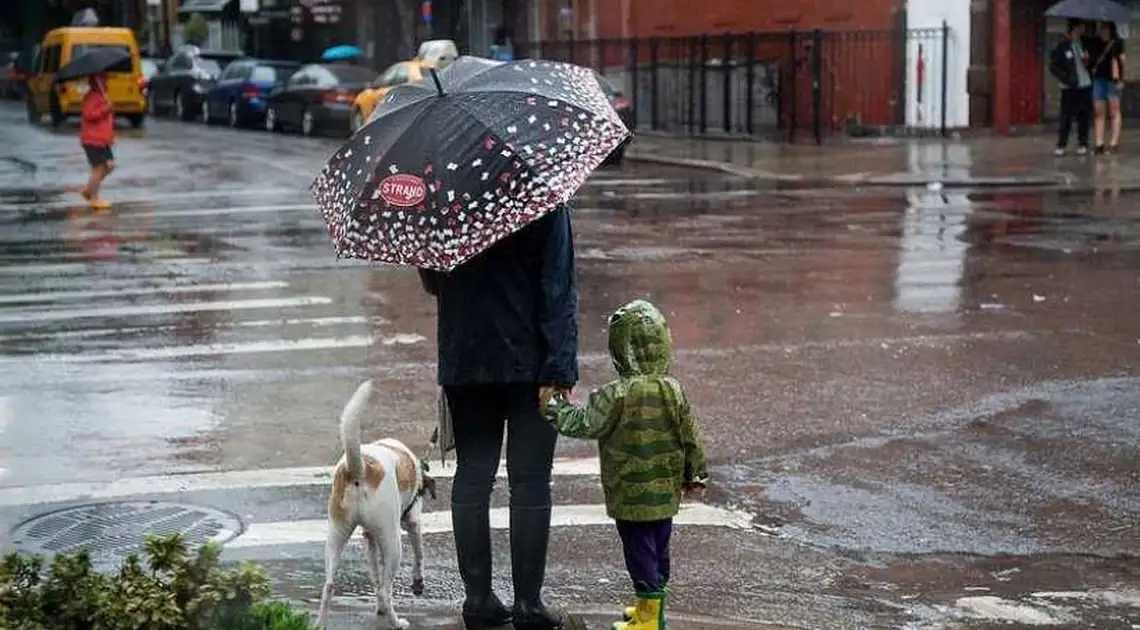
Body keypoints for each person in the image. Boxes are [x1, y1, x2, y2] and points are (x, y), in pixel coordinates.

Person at [418, 205, 578, 630]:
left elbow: (434, 281)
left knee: (474, 474)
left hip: (466, 357)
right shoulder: (542, 195)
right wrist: (561, 368)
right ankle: (529, 604)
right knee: (529, 481)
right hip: (531, 360)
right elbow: (556, 287)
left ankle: (477, 600)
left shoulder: (445, 197)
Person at [542, 299, 709, 630]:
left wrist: (553, 407)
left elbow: (584, 423)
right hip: (665, 492)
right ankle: (652, 610)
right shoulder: (674, 390)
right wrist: (695, 475)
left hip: (631, 495)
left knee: (639, 551)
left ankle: (647, 617)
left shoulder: (616, 394)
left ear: (620, 349)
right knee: (660, 548)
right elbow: (691, 436)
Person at [1049, 19, 1093, 157]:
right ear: (1072, 30)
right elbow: (1053, 66)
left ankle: (1083, 143)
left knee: (1083, 116)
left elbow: (1088, 61)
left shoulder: (1083, 44)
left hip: (1084, 84)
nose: (1081, 32)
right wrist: (1065, 78)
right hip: (1069, 86)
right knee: (1066, 116)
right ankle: (1061, 144)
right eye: (1079, 29)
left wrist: (1088, 60)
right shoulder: (1062, 46)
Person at [1087, 21, 1126, 154]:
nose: (1102, 30)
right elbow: (1091, 60)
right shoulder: (1094, 42)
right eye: (1100, 27)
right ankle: (1099, 143)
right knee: (1099, 111)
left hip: (1113, 80)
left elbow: (1121, 61)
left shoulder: (1117, 42)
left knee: (1114, 110)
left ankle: (1114, 142)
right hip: (1099, 79)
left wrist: (1120, 78)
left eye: (1104, 27)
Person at [78, 73, 115, 210]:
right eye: (104, 79)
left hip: (103, 140)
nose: (107, 82)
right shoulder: (93, 97)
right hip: (93, 139)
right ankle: (94, 198)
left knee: (110, 165)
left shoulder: (102, 96)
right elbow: (89, 115)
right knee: (98, 168)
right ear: (98, 81)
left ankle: (89, 189)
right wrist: (106, 108)